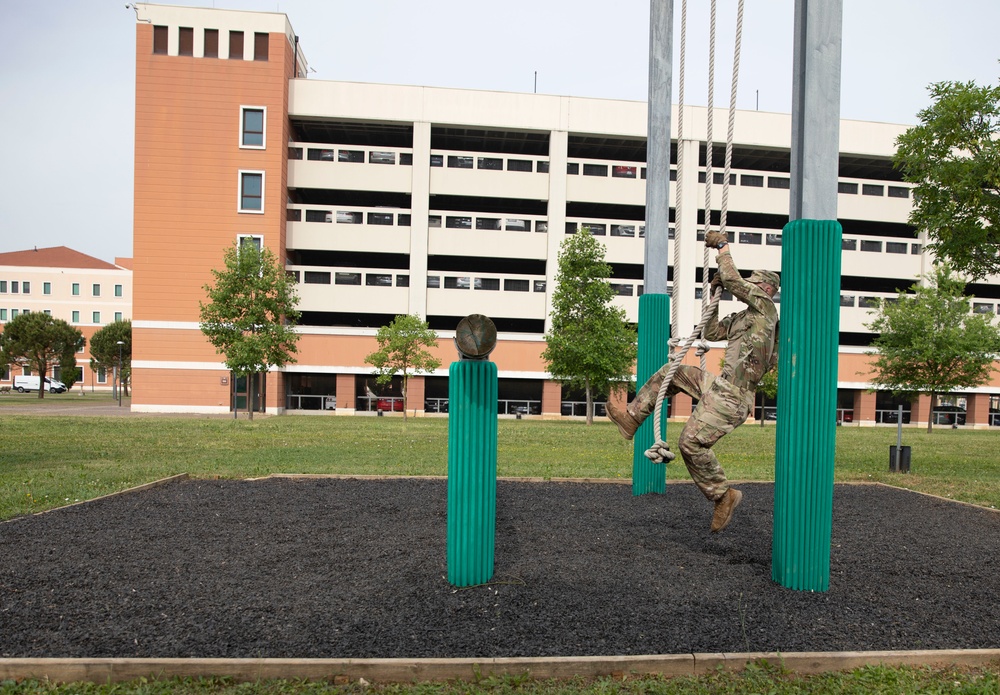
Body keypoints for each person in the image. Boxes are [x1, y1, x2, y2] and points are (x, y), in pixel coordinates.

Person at [607, 230, 780, 533]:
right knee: (672, 370)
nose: (751, 287)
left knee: (690, 442)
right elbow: (711, 332)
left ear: (765, 288)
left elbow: (736, 281)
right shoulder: (743, 318)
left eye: (755, 284)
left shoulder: (766, 310)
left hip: (736, 396)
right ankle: (632, 419)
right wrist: (714, 295)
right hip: (721, 384)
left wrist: (724, 248)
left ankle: (723, 496)